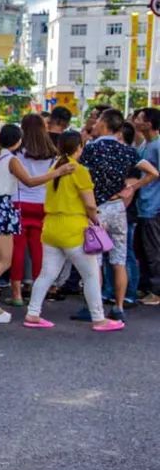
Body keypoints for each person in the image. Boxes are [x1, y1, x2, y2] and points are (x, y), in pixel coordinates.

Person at [0, 124, 70, 324]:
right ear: (18, 141)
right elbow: (29, 181)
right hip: (2, 207)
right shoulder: (11, 159)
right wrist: (57, 172)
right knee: (4, 260)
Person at [22, 132, 125, 332]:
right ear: (79, 147)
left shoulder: (55, 168)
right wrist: (97, 220)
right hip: (73, 229)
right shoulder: (79, 170)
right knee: (91, 275)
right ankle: (99, 318)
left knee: (47, 274)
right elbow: (89, 203)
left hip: (51, 227)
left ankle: (33, 313)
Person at [75, 109, 157, 320]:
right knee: (119, 259)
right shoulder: (127, 151)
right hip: (119, 207)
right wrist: (132, 187)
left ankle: (95, 307)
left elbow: (79, 176)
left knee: (95, 260)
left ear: (103, 124)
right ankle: (119, 307)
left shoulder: (92, 149)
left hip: (97, 208)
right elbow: (154, 172)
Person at [8, 114, 57, 307]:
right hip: (42, 204)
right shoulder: (52, 153)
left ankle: (16, 293)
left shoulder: (17, 152)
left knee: (17, 250)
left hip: (19, 202)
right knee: (38, 250)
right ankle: (38, 293)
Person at [102, 122, 143, 313]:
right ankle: (117, 299)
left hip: (113, 210)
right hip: (119, 210)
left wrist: (120, 199)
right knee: (118, 257)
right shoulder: (129, 155)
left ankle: (127, 295)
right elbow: (150, 174)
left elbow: (133, 184)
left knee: (118, 256)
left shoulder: (120, 154)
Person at [135, 107, 160, 305]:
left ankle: (156, 290)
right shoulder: (144, 144)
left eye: (140, 118)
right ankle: (145, 287)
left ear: (149, 123)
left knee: (153, 250)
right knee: (142, 249)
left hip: (153, 205)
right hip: (142, 203)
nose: (136, 120)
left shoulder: (157, 146)